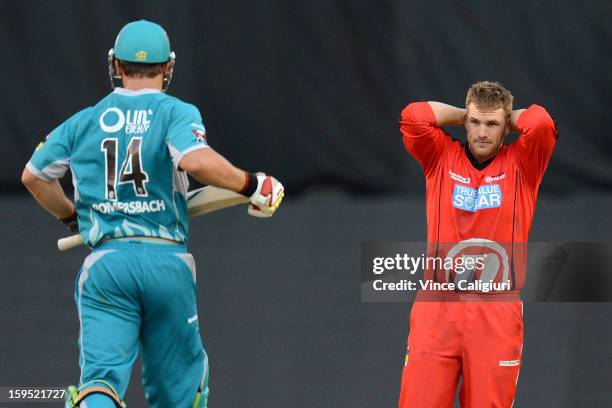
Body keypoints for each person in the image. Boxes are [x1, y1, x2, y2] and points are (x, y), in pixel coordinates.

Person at [21, 20, 284, 408]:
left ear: (116, 65)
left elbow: (34, 177)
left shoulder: (83, 121)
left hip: (107, 263)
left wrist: (72, 217)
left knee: (99, 384)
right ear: (167, 68)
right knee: (180, 394)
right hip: (166, 261)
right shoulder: (176, 112)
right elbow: (196, 160)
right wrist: (250, 183)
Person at [398, 81, 557, 407]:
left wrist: (505, 116)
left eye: (492, 124)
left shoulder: (523, 165)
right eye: (475, 122)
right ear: (465, 122)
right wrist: (464, 114)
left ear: (506, 128)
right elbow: (413, 116)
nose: (482, 132)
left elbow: (540, 123)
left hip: (495, 311)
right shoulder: (440, 156)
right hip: (437, 308)